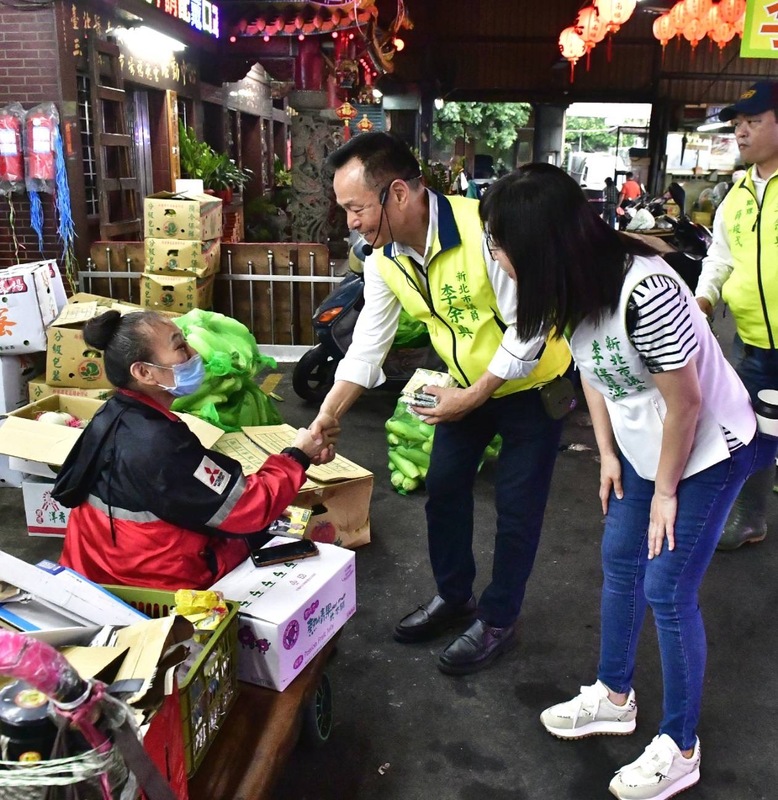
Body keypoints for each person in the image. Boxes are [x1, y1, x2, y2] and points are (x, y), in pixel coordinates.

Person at [480, 163, 776, 800]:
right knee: (620, 558)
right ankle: (615, 695)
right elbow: (592, 369)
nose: (495, 257)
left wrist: (666, 490)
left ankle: (681, 745)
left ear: (539, 244)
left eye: (499, 244)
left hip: (705, 447)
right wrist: (607, 453)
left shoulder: (646, 290)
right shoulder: (569, 287)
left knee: (667, 587)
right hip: (647, 444)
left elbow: (689, 402)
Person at [310, 131, 572, 675]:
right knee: (445, 489)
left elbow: (531, 325)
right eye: (345, 210)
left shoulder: (487, 230)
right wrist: (327, 416)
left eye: (356, 208)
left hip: (530, 391)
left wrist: (473, 397)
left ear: (398, 193)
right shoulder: (383, 259)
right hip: (463, 388)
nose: (351, 222)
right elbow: (368, 346)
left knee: (516, 511)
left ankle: (499, 617)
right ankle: (456, 598)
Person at [52, 310, 332, 590]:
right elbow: (245, 507)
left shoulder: (113, 415)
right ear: (144, 372)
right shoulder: (159, 444)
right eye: (180, 346)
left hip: (93, 568)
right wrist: (297, 456)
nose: (194, 352)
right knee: (283, 535)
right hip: (153, 584)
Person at [695, 80, 778, 550]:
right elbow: (720, 257)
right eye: (738, 124)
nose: (742, 133)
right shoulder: (738, 193)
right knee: (755, 433)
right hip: (752, 340)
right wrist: (702, 300)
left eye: (754, 121)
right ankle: (751, 519)